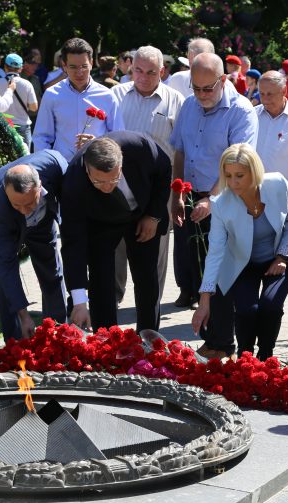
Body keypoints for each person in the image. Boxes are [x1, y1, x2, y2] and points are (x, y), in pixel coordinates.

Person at [170, 52, 258, 355]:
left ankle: (222, 341)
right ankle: (212, 337)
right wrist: (176, 193)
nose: (201, 95)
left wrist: (212, 198)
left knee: (220, 270)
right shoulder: (189, 105)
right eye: (196, 88)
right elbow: (179, 152)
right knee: (197, 268)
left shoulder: (241, 111)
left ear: (224, 80)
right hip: (191, 195)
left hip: (226, 197)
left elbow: (238, 161)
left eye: (208, 89)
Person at [192, 144, 288, 360]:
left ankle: (266, 357)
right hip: (243, 265)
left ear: (254, 170)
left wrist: (282, 256)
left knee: (270, 307)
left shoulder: (278, 183)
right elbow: (215, 252)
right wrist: (204, 300)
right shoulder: (221, 204)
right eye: (228, 176)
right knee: (246, 310)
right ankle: (245, 358)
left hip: (279, 258)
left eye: (240, 175)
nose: (233, 183)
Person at [61, 133, 171, 332]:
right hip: (101, 220)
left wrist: (154, 216)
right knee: (100, 277)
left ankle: (149, 339)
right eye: (99, 182)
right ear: (87, 167)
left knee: (146, 274)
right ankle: (106, 341)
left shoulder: (140, 148)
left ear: (122, 163)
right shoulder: (73, 182)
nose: (107, 187)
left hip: (142, 213)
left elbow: (164, 171)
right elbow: (72, 243)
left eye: (113, 179)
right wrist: (79, 301)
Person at [111, 45, 185, 307]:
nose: (142, 77)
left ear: (162, 71)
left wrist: (177, 195)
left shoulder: (176, 100)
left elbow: (180, 151)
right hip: (117, 184)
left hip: (158, 187)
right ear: (131, 67)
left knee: (156, 247)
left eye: (150, 72)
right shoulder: (116, 95)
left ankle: (149, 306)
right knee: (115, 245)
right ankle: (112, 300)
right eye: (137, 70)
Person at [0, 150, 69, 341]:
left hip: (43, 220)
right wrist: (24, 316)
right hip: (8, 223)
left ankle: (57, 336)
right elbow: (6, 264)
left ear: (39, 186)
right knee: (5, 280)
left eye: (30, 203)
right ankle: (15, 342)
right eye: (18, 206)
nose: (25, 211)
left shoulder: (56, 166)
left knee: (51, 271)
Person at [33, 38, 124, 161]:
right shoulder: (52, 95)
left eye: (84, 66)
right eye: (73, 67)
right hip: (62, 167)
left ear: (92, 63)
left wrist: (98, 144)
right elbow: (41, 137)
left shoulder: (107, 96)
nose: (79, 72)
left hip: (97, 166)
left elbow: (118, 136)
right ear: (64, 66)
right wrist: (48, 166)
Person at [0, 53, 38, 151]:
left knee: (5, 159)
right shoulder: (27, 84)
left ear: (5, 67)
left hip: (3, 125)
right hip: (23, 126)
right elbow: (34, 107)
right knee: (23, 159)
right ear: (20, 68)